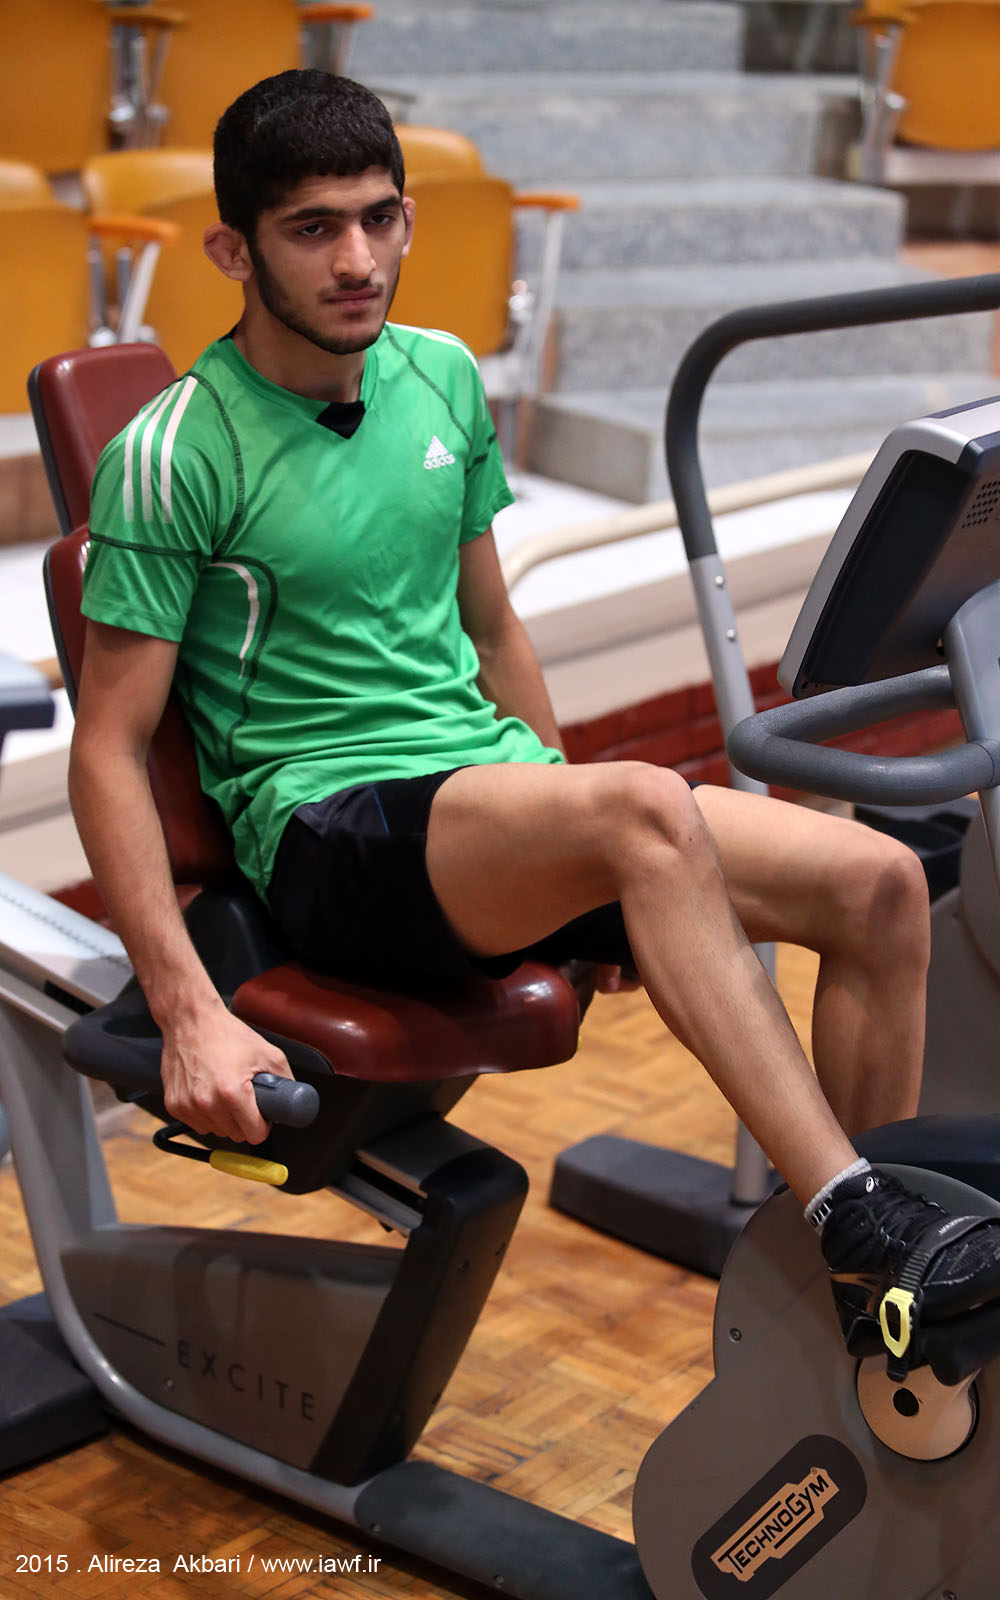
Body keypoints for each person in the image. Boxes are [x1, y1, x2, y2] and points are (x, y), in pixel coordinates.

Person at [69, 68, 1000, 1365]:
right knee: (642, 809)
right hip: (331, 831)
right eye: (313, 228)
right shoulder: (177, 450)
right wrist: (186, 1009)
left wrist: (580, 851)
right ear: (233, 251)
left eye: (379, 218)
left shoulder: (443, 376)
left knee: (882, 884)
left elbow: (496, 628)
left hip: (479, 807)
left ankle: (861, 1325)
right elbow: (108, 749)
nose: (358, 260)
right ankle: (857, 1221)